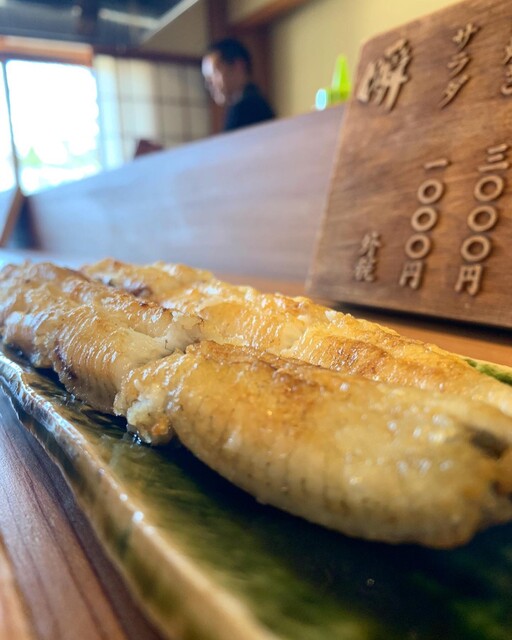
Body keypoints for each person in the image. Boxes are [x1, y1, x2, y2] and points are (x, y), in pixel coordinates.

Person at [202, 38, 275, 132]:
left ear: (238, 66)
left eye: (215, 74)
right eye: (207, 78)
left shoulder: (247, 108)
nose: (209, 83)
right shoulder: (255, 103)